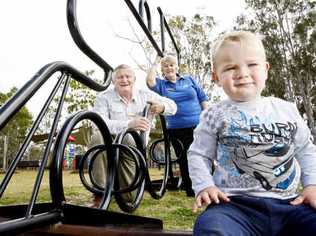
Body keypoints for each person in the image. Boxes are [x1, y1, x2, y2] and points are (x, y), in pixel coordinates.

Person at [188, 30, 316, 235]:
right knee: (211, 227)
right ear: (216, 76)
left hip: (290, 205)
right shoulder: (214, 114)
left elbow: (306, 150)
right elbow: (198, 154)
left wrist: (312, 185)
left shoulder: (286, 109)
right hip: (233, 206)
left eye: (252, 64)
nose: (242, 73)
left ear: (265, 69)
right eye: (230, 67)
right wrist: (204, 186)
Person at [90, 64, 177, 206]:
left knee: (129, 197)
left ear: (134, 79)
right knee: (97, 137)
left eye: (127, 76)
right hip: (110, 139)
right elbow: (99, 123)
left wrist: (162, 107)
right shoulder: (103, 97)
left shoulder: (145, 95)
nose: (124, 80)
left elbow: (173, 106)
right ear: (113, 81)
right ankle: (100, 193)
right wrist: (129, 125)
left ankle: (124, 185)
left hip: (134, 144)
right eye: (119, 77)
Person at [146, 55, 209, 197]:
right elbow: (149, 81)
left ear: (177, 67)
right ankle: (191, 189)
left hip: (198, 125)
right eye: (166, 66)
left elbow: (203, 98)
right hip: (176, 129)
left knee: (201, 155)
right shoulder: (162, 85)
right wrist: (156, 61)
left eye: (172, 65)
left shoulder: (189, 80)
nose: (169, 68)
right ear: (162, 69)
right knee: (185, 158)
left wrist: (207, 118)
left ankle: (207, 184)